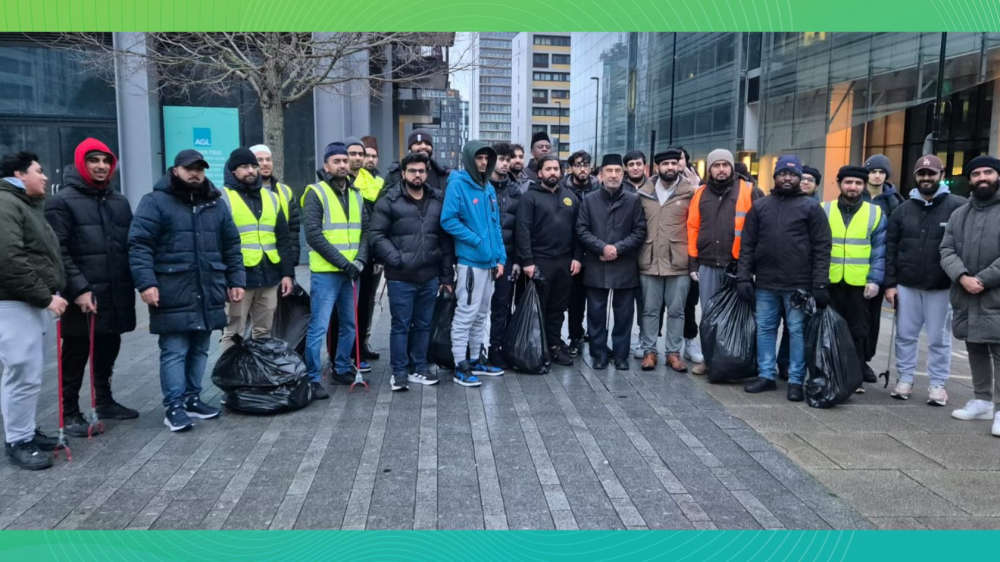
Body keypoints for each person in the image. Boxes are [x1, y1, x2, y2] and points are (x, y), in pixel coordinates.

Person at [129, 149, 245, 432]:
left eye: (200, 169)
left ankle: (193, 399)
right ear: (175, 170)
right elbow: (139, 244)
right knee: (175, 350)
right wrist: (146, 283)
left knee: (200, 349)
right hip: (172, 288)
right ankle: (174, 407)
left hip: (208, 287)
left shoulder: (216, 203)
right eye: (190, 168)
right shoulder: (155, 202)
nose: (195, 173)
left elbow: (231, 245)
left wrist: (236, 280)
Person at [45, 138, 138, 438]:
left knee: (109, 345)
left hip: (114, 291)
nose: (101, 166)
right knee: (76, 352)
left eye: (106, 161)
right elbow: (57, 250)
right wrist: (79, 289)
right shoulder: (61, 201)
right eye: (93, 160)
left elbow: (130, 245)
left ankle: (105, 401)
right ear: (81, 163)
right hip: (82, 295)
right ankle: (70, 411)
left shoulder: (119, 201)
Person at [737, 155, 832, 398]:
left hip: (798, 284)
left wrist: (820, 283)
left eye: (792, 174)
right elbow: (747, 245)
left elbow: (822, 247)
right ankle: (766, 375)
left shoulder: (811, 208)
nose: (787, 178)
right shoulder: (761, 207)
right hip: (765, 283)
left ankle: (796, 381)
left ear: (799, 178)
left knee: (797, 331)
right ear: (775, 176)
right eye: (782, 174)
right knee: (765, 329)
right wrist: (744, 277)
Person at [0, 151, 66, 469]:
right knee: (21, 373)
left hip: (28, 301)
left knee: (27, 374)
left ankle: (25, 431)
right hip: (15, 303)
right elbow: (9, 259)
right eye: (38, 171)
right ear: (19, 174)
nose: (45, 176)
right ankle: (18, 441)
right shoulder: (6, 204)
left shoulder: (24, 204)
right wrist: (45, 297)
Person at [369, 152, 454, 392]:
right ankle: (399, 372)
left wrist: (446, 276)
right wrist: (396, 258)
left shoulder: (437, 199)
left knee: (424, 324)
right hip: (401, 277)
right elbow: (376, 235)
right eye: (413, 171)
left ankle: (419, 367)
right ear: (403, 173)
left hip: (429, 276)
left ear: (427, 173)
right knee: (401, 325)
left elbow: (445, 239)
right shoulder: (390, 200)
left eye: (421, 171)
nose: (418, 175)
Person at [884, 154, 964, 405]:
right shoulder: (901, 210)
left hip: (941, 286)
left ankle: (937, 385)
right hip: (907, 285)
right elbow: (890, 249)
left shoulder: (958, 207)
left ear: (941, 175)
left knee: (939, 339)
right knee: (905, 336)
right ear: (915, 177)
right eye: (922, 174)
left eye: (931, 173)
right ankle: (905, 379)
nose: (926, 178)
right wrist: (890, 284)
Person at [301, 142, 370, 396]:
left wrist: (360, 260)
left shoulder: (356, 194)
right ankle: (312, 378)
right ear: (326, 165)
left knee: (350, 324)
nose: (342, 165)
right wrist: (345, 263)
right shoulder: (315, 193)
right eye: (337, 161)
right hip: (327, 272)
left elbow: (365, 232)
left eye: (345, 161)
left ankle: (341, 367)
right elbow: (314, 235)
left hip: (351, 271)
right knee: (319, 326)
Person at [686, 148, 762, 376]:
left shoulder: (749, 191)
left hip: (738, 266)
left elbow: (760, 229)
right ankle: (710, 361)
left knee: (742, 317)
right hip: (708, 263)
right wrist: (693, 262)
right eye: (716, 166)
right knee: (709, 317)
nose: (721, 170)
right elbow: (693, 228)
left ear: (731, 167)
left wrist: (751, 265)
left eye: (725, 165)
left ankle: (742, 363)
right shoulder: (700, 194)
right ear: (709, 170)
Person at [940, 155, 1000, 436]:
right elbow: (946, 250)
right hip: (965, 293)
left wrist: (983, 280)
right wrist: (962, 276)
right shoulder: (959, 214)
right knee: (974, 346)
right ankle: (982, 400)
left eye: (988, 172)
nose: (982, 178)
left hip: (994, 294)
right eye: (976, 174)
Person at [440, 141, 506, 386]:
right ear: (469, 159)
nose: (484, 162)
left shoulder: (488, 187)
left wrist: (500, 257)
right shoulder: (457, 184)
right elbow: (448, 220)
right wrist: (476, 240)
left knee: (481, 314)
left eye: (487, 158)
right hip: (470, 263)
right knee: (466, 314)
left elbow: (495, 225)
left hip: (489, 264)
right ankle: (460, 364)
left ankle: (476, 359)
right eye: (479, 158)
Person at [218, 148, 295, 350]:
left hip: (269, 275)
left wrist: (287, 274)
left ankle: (258, 368)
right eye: (245, 167)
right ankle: (230, 370)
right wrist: (225, 279)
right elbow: (217, 243)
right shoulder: (223, 198)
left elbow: (283, 238)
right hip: (239, 279)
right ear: (233, 171)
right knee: (233, 333)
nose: (251, 170)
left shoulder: (271, 198)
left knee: (263, 332)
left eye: (253, 166)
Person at [576, 154, 647, 370]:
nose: (613, 175)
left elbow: (640, 231)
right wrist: (602, 247)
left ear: (623, 174)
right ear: (600, 175)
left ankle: (621, 355)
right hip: (596, 264)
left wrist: (617, 249)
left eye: (617, 171)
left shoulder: (633, 200)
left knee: (624, 315)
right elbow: (581, 229)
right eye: (609, 171)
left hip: (624, 264)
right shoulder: (589, 200)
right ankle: (598, 354)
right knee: (595, 313)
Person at [822, 165, 887, 393]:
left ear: (864, 186)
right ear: (839, 184)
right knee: (830, 330)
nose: (853, 187)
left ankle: (855, 377)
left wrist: (874, 280)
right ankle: (831, 373)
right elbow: (818, 247)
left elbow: (879, 250)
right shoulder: (825, 209)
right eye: (848, 182)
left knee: (858, 332)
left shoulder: (875, 213)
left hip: (860, 284)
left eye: (858, 183)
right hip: (831, 282)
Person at [637, 148, 698, 373]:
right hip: (650, 259)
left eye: (673, 163)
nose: (670, 167)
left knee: (677, 311)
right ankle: (649, 351)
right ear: (657, 167)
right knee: (650, 310)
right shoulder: (643, 192)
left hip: (678, 262)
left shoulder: (690, 191)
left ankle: (673, 353)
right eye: (665, 164)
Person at [517, 154, 581, 366]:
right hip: (539, 261)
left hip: (564, 262)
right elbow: (523, 230)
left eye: (556, 169)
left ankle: (554, 345)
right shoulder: (529, 198)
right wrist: (527, 261)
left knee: (558, 308)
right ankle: (538, 348)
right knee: (539, 307)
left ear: (561, 172)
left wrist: (577, 257)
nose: (553, 172)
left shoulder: (571, 197)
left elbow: (579, 231)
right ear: (540, 173)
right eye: (548, 169)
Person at [775, 164, 824, 379]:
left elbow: (821, 245)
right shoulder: (780, 203)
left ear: (816, 185)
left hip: (803, 277)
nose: (805, 182)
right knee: (775, 323)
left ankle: (790, 366)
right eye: (802, 178)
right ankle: (777, 364)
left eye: (810, 180)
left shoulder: (818, 208)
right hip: (775, 277)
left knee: (795, 326)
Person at [347, 137, 385, 362]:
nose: (367, 159)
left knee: (367, 302)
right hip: (348, 253)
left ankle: (361, 344)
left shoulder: (378, 182)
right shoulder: (344, 181)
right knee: (350, 304)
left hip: (371, 252)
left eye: (372, 156)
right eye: (364, 155)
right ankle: (348, 350)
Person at [560, 150, 599, 357]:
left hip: (593, 250)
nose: (582, 169)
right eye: (578, 165)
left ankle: (594, 336)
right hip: (569, 250)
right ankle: (574, 335)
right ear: (571, 168)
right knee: (573, 299)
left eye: (585, 165)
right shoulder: (562, 188)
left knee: (594, 299)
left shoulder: (598, 188)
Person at [488, 142, 522, 368]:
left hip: (508, 256)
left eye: (507, 160)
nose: (505, 164)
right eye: (501, 159)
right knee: (477, 307)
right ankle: (474, 349)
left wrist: (518, 259)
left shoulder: (515, 190)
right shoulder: (480, 186)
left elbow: (521, 227)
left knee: (502, 305)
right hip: (482, 257)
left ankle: (497, 348)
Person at [250, 144, 300, 265]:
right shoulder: (244, 192)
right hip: (254, 261)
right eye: (260, 160)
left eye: (268, 159)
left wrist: (292, 258)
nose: (265, 163)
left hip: (282, 257)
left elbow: (293, 228)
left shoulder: (285, 191)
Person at [385, 129, 451, 192]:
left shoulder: (443, 174)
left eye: (427, 144)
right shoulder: (395, 174)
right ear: (410, 149)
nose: (424, 146)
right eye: (418, 143)